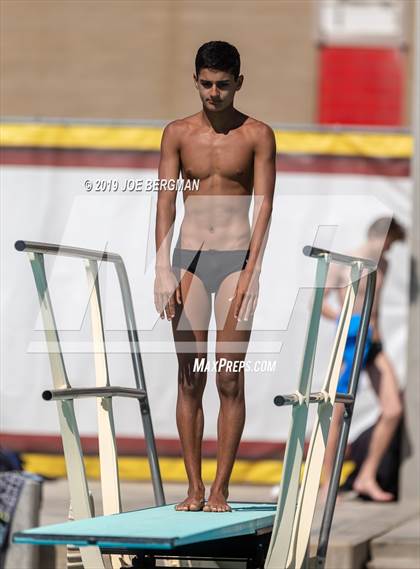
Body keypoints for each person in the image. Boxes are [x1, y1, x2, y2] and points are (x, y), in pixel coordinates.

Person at [154, 41, 276, 512]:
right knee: (189, 376)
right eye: (206, 83)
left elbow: (265, 205)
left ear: (238, 84)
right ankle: (194, 487)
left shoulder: (257, 135)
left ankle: (221, 487)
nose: (214, 92)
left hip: (234, 260)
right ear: (196, 80)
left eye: (223, 85)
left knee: (228, 377)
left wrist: (254, 270)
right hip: (188, 259)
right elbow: (165, 199)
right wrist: (162, 267)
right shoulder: (177, 134)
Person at [321, 217, 405, 502]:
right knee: (337, 412)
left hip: (373, 341)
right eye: (389, 245)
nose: (389, 252)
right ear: (379, 237)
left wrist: (376, 335)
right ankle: (326, 483)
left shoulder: (384, 265)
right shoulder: (346, 261)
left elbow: (376, 309)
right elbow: (320, 304)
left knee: (392, 408)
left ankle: (366, 476)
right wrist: (348, 322)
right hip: (352, 339)